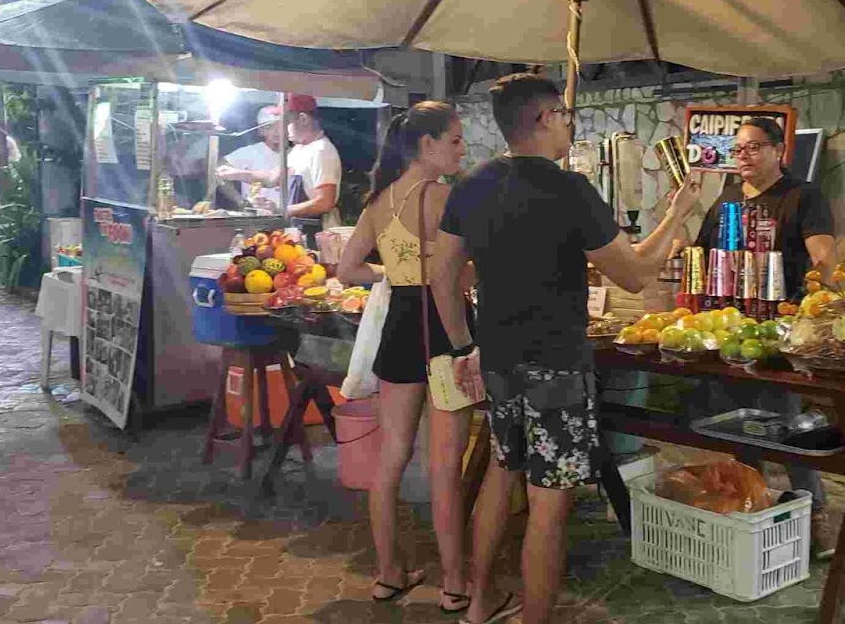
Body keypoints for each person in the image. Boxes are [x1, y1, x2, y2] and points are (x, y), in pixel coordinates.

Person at [428, 74, 701, 624]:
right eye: (566, 117)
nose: (569, 127)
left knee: (500, 475)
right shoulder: (570, 189)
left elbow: (442, 273)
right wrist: (677, 216)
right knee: (549, 503)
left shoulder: (473, 184)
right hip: (556, 364)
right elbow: (631, 275)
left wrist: (463, 346)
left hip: (498, 358)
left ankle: (478, 604)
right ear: (545, 118)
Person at [335, 101, 477, 614]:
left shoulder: (379, 202)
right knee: (444, 467)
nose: (462, 149)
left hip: (398, 327)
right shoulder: (447, 198)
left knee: (390, 458)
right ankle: (455, 583)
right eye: (456, 140)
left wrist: (392, 274)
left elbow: (347, 270)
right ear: (428, 146)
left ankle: (388, 573)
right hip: (445, 331)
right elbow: (461, 277)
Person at [683, 115, 839, 556]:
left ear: (778, 151)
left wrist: (813, 300)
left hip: (777, 329)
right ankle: (750, 507)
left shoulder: (802, 196)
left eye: (753, 147)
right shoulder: (727, 198)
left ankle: (816, 516)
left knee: (784, 425)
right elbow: (705, 254)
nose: (744, 157)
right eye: (738, 150)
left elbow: (823, 256)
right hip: (728, 328)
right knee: (735, 427)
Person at [216, 93, 341, 244]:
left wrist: (282, 210)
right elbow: (272, 178)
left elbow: (325, 201)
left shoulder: (321, 151)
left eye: (285, 123)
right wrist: (237, 174)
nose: (283, 129)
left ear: (303, 119)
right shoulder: (300, 149)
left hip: (316, 236)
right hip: (297, 231)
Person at [219, 104, 286, 212]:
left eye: (280, 126)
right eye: (268, 127)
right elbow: (219, 169)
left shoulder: (295, 153)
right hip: (256, 216)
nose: (276, 132)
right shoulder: (250, 152)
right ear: (260, 131)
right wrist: (240, 201)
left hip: (286, 216)